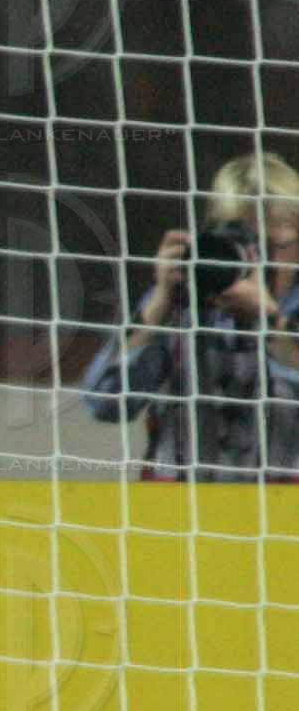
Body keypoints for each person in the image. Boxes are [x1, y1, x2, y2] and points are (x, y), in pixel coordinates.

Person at [81, 153, 299, 478]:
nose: (255, 258)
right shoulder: (180, 306)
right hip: (177, 512)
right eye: (242, 243)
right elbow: (106, 404)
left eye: (270, 244)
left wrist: (270, 321)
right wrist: (159, 302)